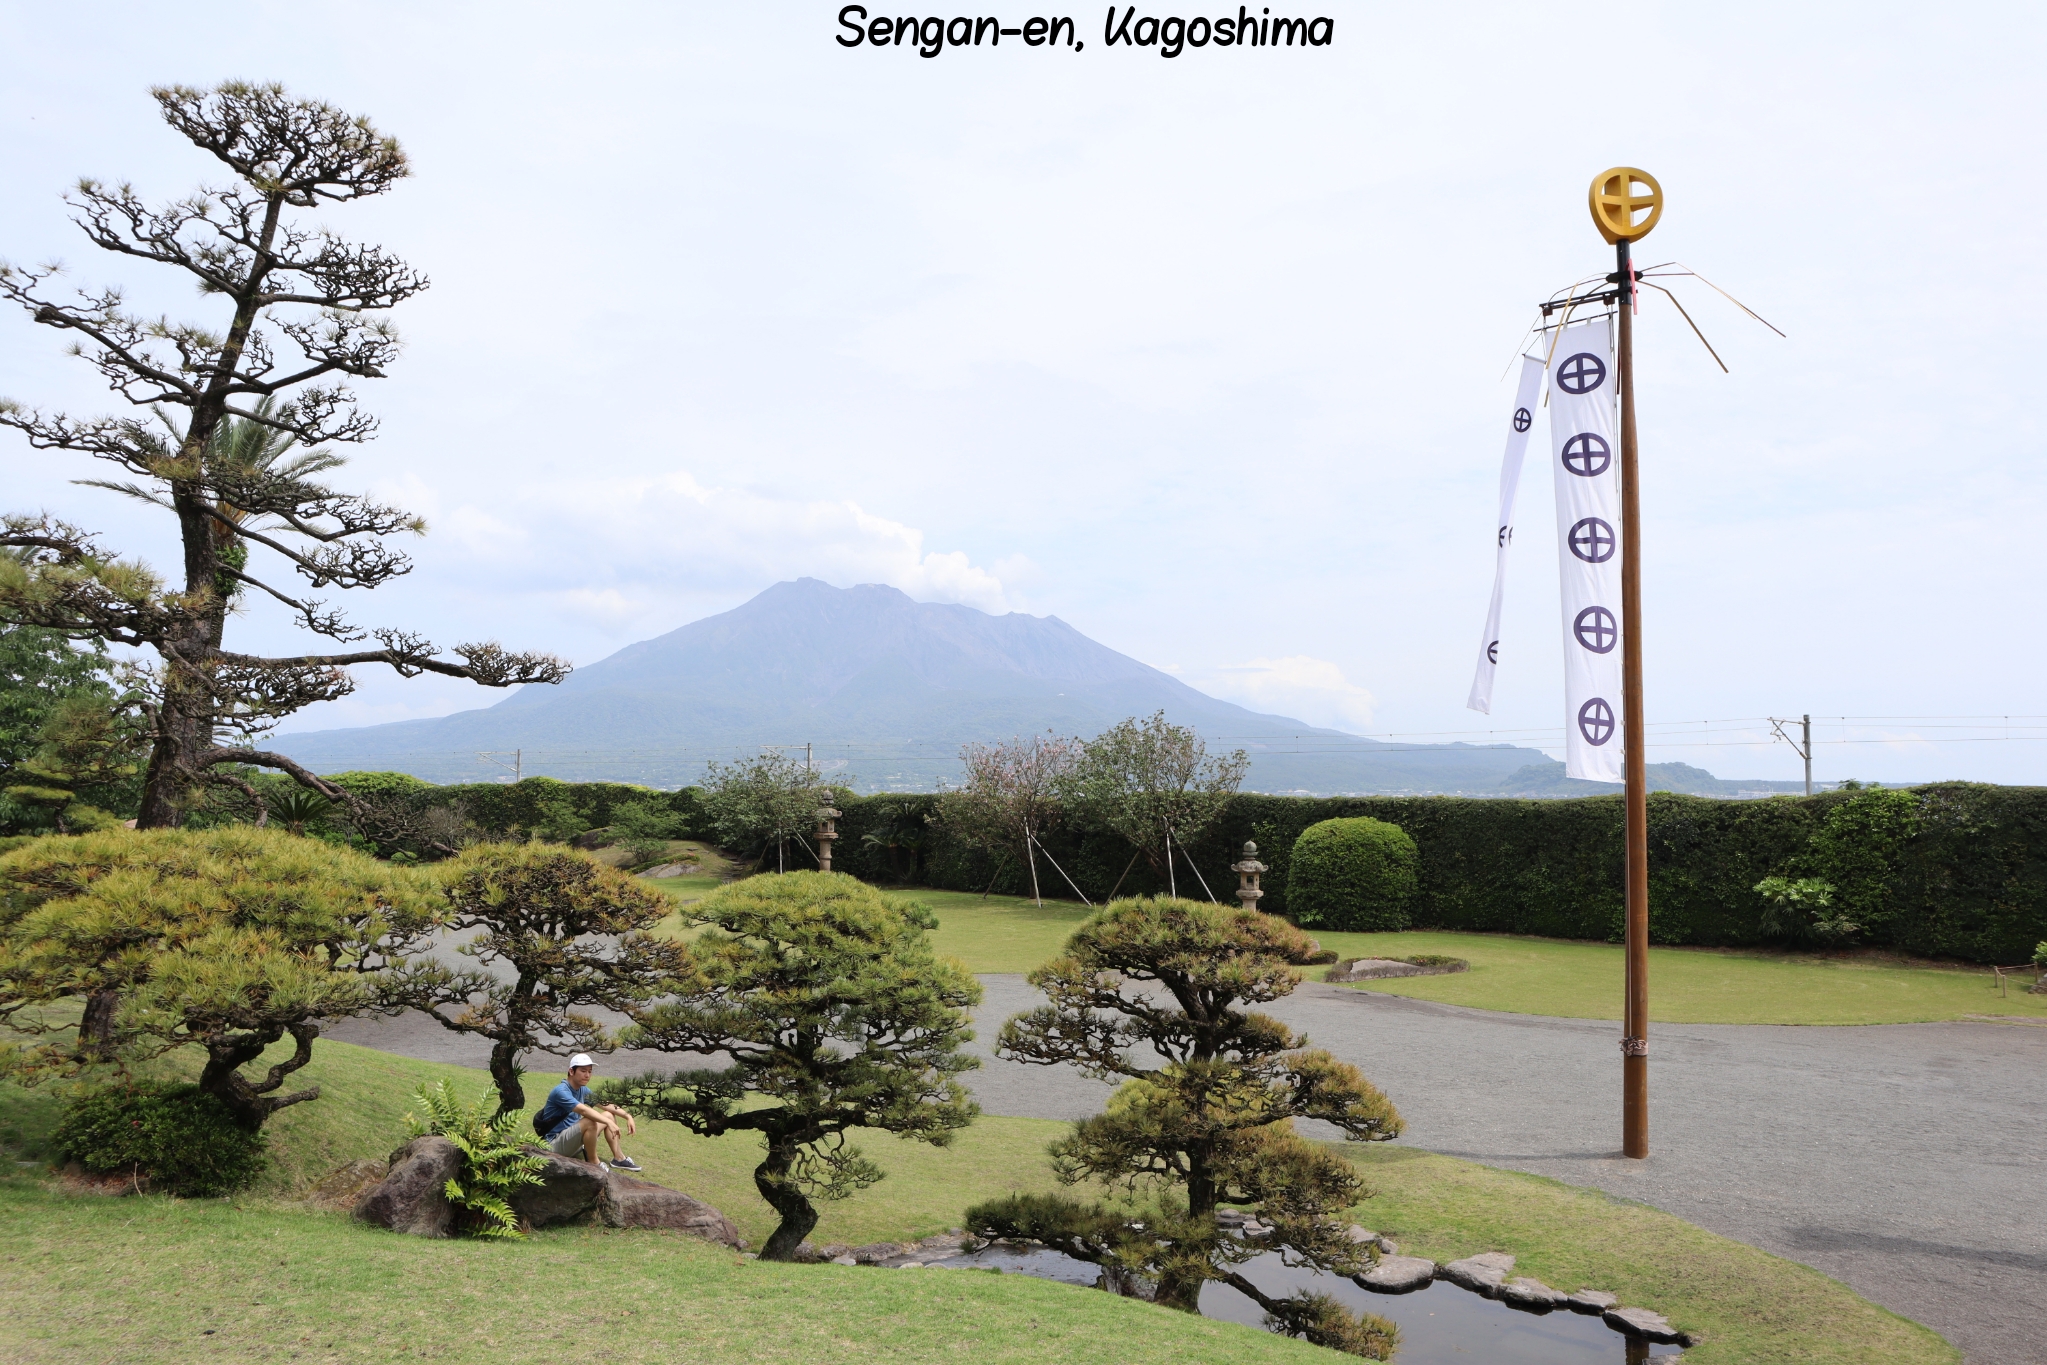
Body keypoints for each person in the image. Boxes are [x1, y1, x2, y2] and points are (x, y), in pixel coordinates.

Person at [533, 1054, 641, 1171]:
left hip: (571, 1140)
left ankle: (619, 1159)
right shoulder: (561, 1091)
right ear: (571, 1071)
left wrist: (627, 1116)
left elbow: (604, 1104)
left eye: (590, 1071)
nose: (587, 1075)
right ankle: (594, 1163)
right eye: (583, 1071)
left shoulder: (582, 1089)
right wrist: (608, 1123)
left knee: (609, 1115)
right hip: (553, 1145)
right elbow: (583, 1110)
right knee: (590, 1121)